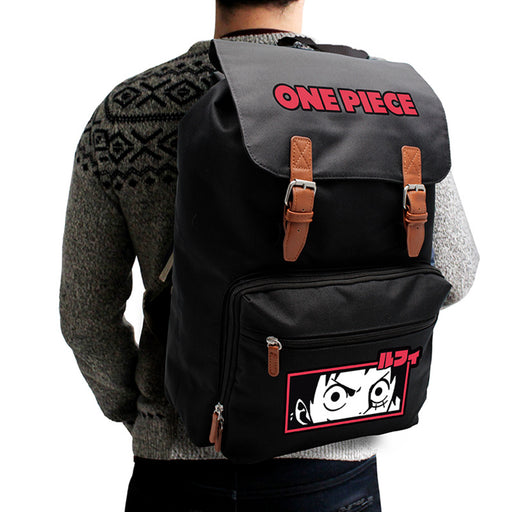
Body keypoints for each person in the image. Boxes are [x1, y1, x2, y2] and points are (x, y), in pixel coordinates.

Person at [59, 0, 479, 511]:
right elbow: (455, 273)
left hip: (176, 467)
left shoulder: (127, 112)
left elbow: (84, 318)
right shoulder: (388, 103)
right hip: (334, 462)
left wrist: (143, 412)